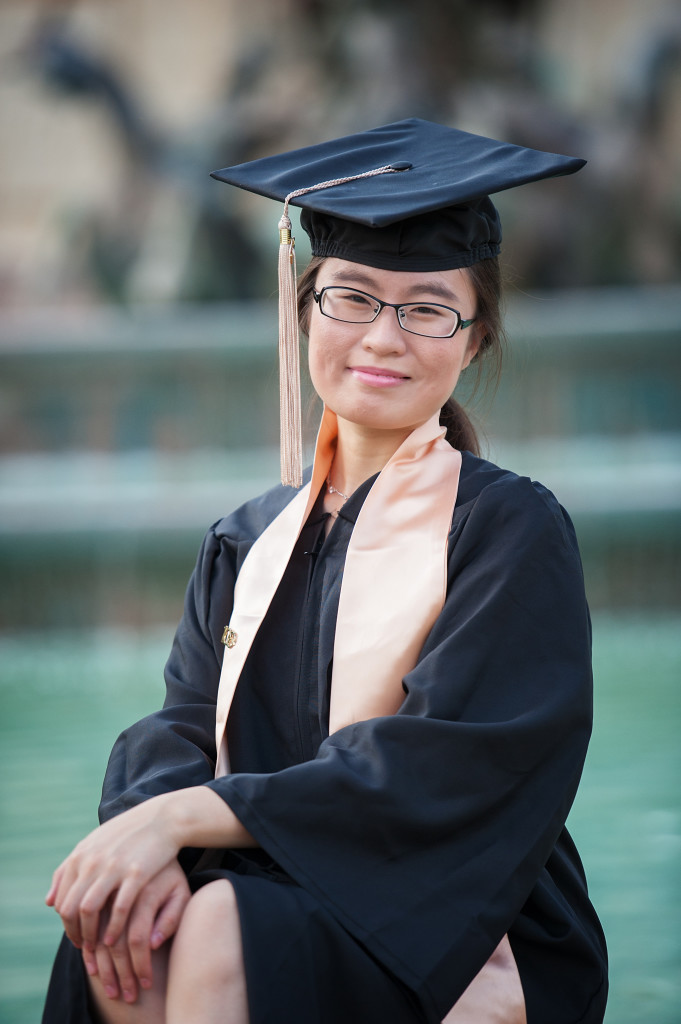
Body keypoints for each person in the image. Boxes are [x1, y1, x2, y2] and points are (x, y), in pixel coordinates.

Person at [43, 118, 608, 1024]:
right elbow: (184, 721)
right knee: (132, 929)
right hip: (263, 872)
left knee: (226, 921)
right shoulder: (246, 536)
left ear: (471, 340)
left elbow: (450, 766)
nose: (382, 337)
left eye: (426, 309)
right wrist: (148, 824)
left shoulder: (507, 527)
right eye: (350, 297)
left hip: (456, 911)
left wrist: (189, 821)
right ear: (303, 310)